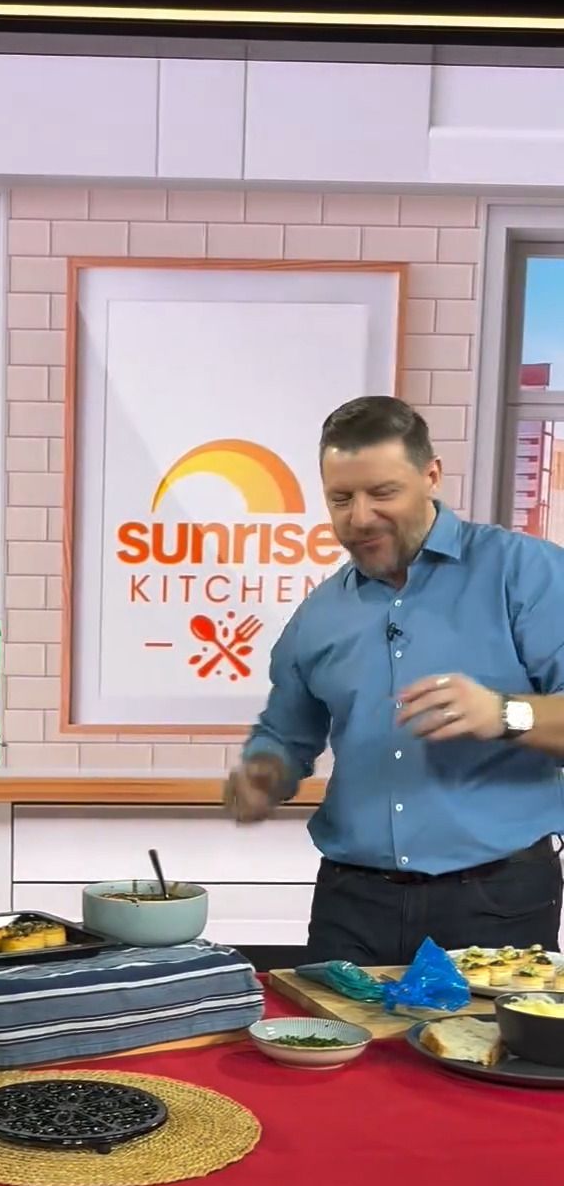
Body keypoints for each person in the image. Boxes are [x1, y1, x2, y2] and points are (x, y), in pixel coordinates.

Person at [224, 396, 564, 965]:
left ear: (431, 476)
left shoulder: (525, 573)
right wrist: (265, 772)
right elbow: (286, 733)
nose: (360, 517)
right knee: (324, 1027)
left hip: (495, 901)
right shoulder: (319, 614)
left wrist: (505, 713)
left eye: (382, 493)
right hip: (351, 904)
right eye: (341, 498)